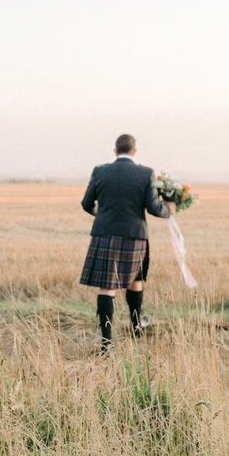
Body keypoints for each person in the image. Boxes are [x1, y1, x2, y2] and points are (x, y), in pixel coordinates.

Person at [79, 133, 174, 350]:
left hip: (105, 233)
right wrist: (170, 208)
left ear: (115, 151)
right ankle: (135, 327)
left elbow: (86, 203)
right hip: (135, 236)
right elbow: (153, 208)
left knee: (106, 287)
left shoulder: (100, 171)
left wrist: (101, 214)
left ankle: (106, 342)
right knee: (135, 280)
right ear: (134, 151)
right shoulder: (145, 173)